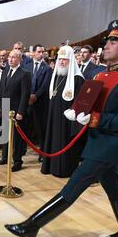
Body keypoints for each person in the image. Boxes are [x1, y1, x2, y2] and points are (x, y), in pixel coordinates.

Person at [5, 20, 118, 237]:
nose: (106, 45)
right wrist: (77, 111)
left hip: (109, 147)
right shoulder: (100, 76)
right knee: (113, 190)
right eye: (107, 41)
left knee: (72, 188)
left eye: (113, 41)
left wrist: (95, 119)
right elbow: (88, 104)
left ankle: (32, 225)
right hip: (96, 142)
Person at [41, 46, 85, 178]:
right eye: (60, 59)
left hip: (67, 121)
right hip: (54, 116)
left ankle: (63, 169)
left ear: (71, 61)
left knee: (64, 143)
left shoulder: (77, 79)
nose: (61, 62)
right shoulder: (57, 76)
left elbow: (80, 103)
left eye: (65, 60)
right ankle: (50, 166)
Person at [0, 50, 31, 172]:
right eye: (9, 57)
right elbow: (1, 91)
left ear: (20, 59)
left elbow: (25, 94)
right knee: (5, 134)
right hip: (4, 108)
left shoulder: (25, 73)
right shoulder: (5, 71)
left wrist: (21, 112)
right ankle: (5, 157)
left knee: (17, 138)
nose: (10, 59)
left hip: (16, 111)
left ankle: (17, 161)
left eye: (13, 57)